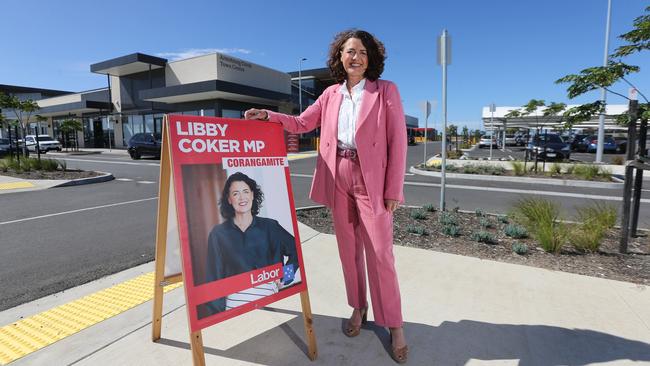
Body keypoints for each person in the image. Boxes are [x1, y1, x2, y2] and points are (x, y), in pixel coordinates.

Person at [245, 29, 408, 363]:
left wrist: (393, 189)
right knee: (348, 251)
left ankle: (394, 325)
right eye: (350, 52)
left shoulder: (386, 91)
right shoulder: (331, 94)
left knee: (380, 254)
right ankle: (358, 308)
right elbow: (303, 123)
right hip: (339, 175)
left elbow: (398, 143)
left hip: (371, 180)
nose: (356, 58)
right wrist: (269, 116)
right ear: (340, 57)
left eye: (362, 52)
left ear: (371, 58)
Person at [203, 172, 300, 315]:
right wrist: (219, 315)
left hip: (271, 300)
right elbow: (213, 277)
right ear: (229, 199)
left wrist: (286, 277)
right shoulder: (218, 234)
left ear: (253, 195)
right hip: (233, 306)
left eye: (246, 191)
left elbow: (295, 249)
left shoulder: (271, 227)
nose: (242, 197)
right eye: (235, 194)